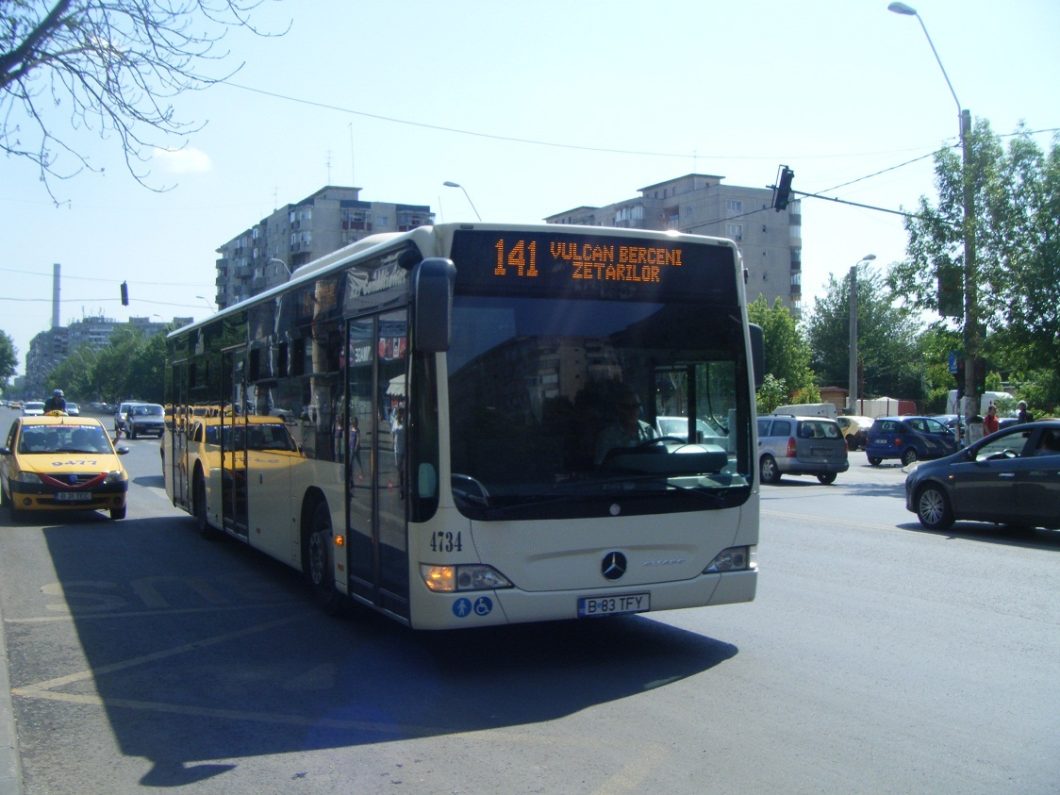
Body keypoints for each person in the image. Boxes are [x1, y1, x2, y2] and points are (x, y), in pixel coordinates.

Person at [594, 386, 657, 465]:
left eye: (635, 406)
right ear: (618, 408)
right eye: (627, 407)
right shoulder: (607, 436)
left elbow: (661, 458)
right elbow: (601, 467)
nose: (632, 411)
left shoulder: (649, 431)